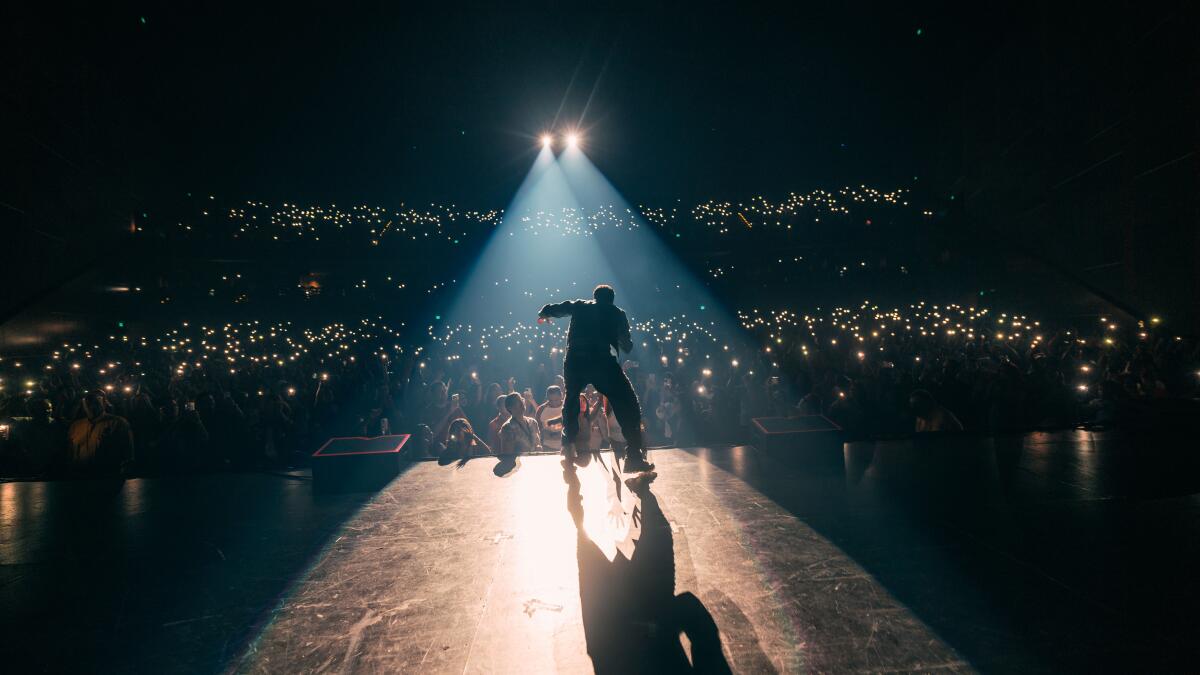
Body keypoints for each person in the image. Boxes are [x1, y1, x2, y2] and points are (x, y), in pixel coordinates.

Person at [538, 284, 653, 472]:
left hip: (576, 362)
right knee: (629, 403)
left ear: (595, 297)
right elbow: (627, 347)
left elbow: (554, 308)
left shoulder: (580, 305)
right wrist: (620, 335)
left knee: (571, 399)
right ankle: (633, 456)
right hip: (602, 363)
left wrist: (544, 314)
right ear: (612, 299)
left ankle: (567, 445)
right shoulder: (617, 313)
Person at [66, 391, 134, 474]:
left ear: (104, 404)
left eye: (95, 402)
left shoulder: (118, 423)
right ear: (83, 405)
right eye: (88, 403)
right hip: (80, 474)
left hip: (106, 474)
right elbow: (70, 451)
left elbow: (128, 451)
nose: (91, 406)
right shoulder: (76, 426)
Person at [535, 385, 566, 453]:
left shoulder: (568, 407)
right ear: (547, 398)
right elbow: (537, 429)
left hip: (565, 447)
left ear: (561, 396)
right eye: (550, 400)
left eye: (556, 400)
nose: (554, 403)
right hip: (547, 447)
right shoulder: (541, 410)